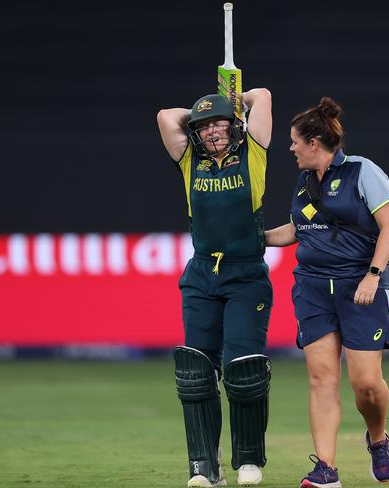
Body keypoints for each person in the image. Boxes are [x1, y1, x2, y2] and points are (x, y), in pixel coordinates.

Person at [265, 97, 389, 487]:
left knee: (366, 385)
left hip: (360, 286)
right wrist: (254, 238)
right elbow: (296, 231)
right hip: (312, 287)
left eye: (293, 141)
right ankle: (326, 470)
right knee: (321, 378)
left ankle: (377, 439)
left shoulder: (364, 171)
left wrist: (373, 276)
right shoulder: (304, 181)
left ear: (313, 142)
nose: (289, 148)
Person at [157, 88, 273, 488]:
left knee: (244, 370)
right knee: (196, 372)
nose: (212, 133)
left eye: (219, 125)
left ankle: (248, 460)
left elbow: (264, 96)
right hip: (202, 274)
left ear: (235, 127)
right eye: (204, 128)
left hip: (246, 274)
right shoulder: (190, 161)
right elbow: (164, 116)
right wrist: (205, 109)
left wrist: (234, 99)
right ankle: (205, 467)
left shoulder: (254, 153)